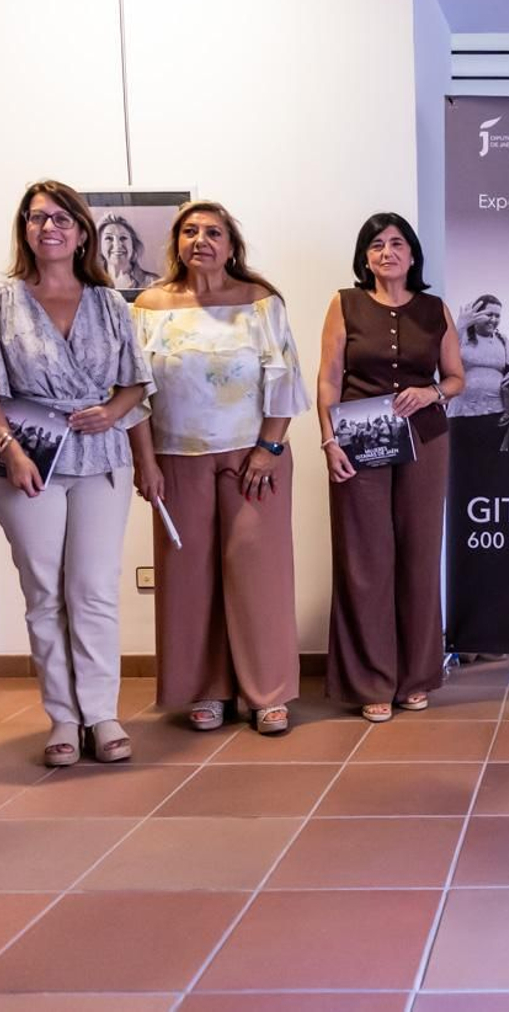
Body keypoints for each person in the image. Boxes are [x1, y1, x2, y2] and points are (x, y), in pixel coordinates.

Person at [0, 181, 153, 767]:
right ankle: (64, 718)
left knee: (93, 589)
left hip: (100, 460)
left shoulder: (109, 302)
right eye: (37, 217)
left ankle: (102, 713)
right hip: (26, 461)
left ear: (82, 232)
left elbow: (136, 384)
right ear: (24, 229)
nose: (49, 227)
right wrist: (9, 447)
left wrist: (113, 413)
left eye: (62, 218)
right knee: (44, 592)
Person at [127, 201, 309, 735]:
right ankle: (205, 689)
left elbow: (284, 380)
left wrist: (268, 448)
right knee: (188, 577)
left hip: (253, 458)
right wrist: (145, 462)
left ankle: (267, 693)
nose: (200, 240)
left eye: (213, 232)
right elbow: (132, 391)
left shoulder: (260, 302)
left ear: (231, 246)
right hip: (175, 459)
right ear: (176, 243)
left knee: (259, 574)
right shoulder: (148, 306)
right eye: (190, 231)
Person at [318, 212, 464, 722]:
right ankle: (371, 681)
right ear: (365, 257)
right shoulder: (344, 304)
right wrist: (329, 440)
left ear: (413, 254)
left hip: (425, 439)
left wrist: (431, 392)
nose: (388, 252)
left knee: (420, 556)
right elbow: (329, 377)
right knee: (366, 559)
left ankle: (416, 677)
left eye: (398, 243)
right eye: (377, 244)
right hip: (359, 440)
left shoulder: (434, 308)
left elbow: (456, 378)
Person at [447, 294, 506, 453]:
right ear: (476, 314)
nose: (494, 319)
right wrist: (461, 326)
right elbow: (443, 356)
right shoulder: (462, 336)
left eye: (497, 316)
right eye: (489, 314)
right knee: (463, 461)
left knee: (488, 462)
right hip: (462, 414)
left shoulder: (502, 340)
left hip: (494, 413)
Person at [96, 214, 160, 290]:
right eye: (109, 238)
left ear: (133, 244)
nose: (117, 245)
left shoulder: (154, 282)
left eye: (123, 238)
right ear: (99, 245)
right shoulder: (90, 283)